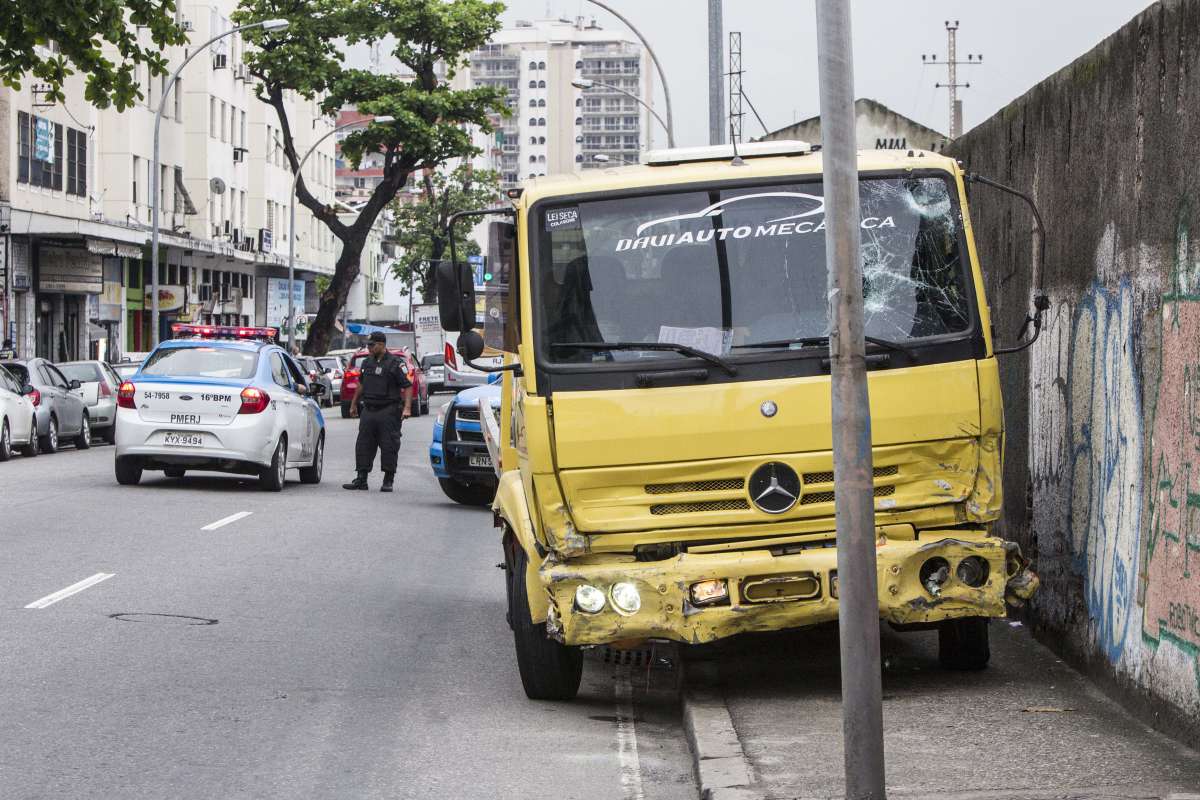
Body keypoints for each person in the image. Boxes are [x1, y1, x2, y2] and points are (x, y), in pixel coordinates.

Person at [342, 332, 412, 492]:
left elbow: (407, 386)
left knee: (389, 445)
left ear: (381, 344)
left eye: (372, 345)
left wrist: (407, 408)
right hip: (369, 409)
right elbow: (361, 385)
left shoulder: (395, 363)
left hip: (389, 410)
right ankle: (361, 479)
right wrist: (353, 404)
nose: (369, 348)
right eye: (368, 345)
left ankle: (388, 480)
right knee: (363, 445)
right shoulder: (367, 362)